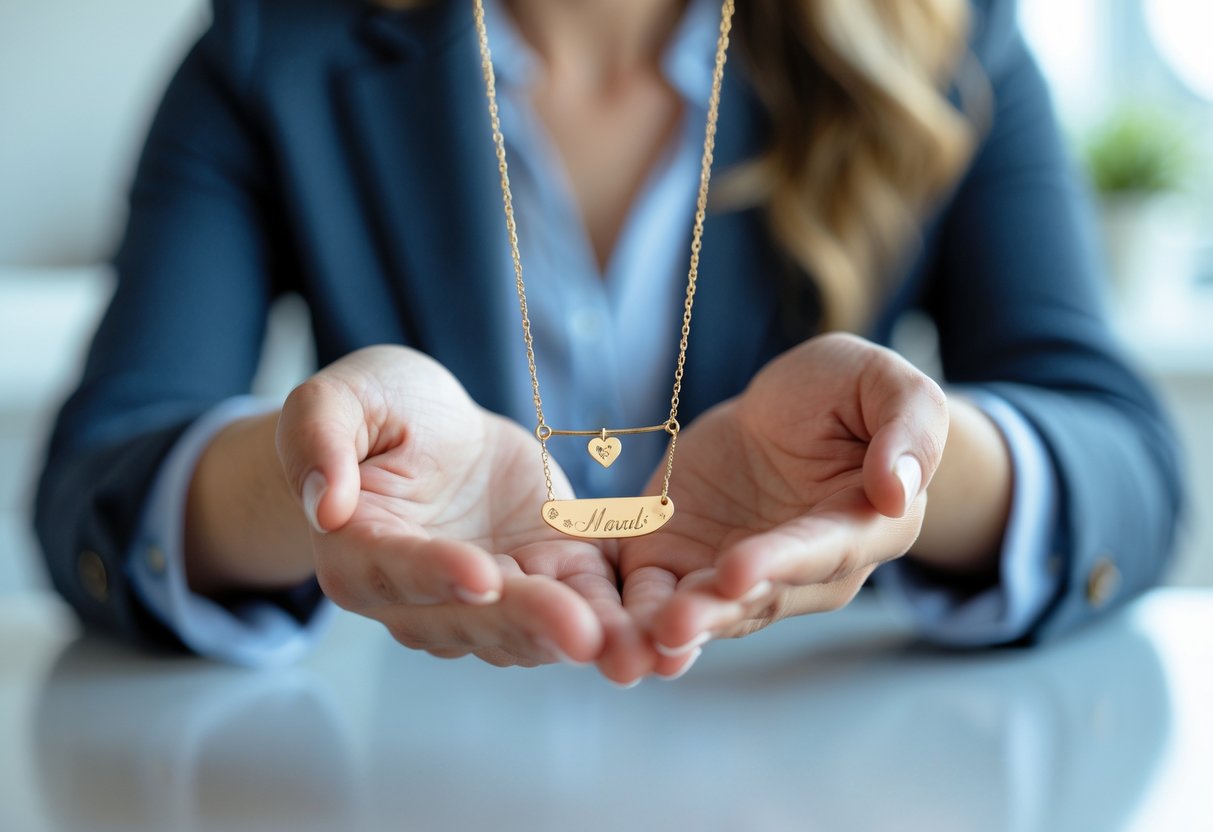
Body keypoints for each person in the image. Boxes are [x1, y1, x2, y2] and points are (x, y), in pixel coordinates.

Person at [35, 0, 1183, 684]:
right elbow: (101, 478)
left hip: (817, 765)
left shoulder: (941, 37)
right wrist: (324, 487)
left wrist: (906, 463)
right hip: (408, 772)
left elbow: (1125, 465)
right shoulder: (271, 46)